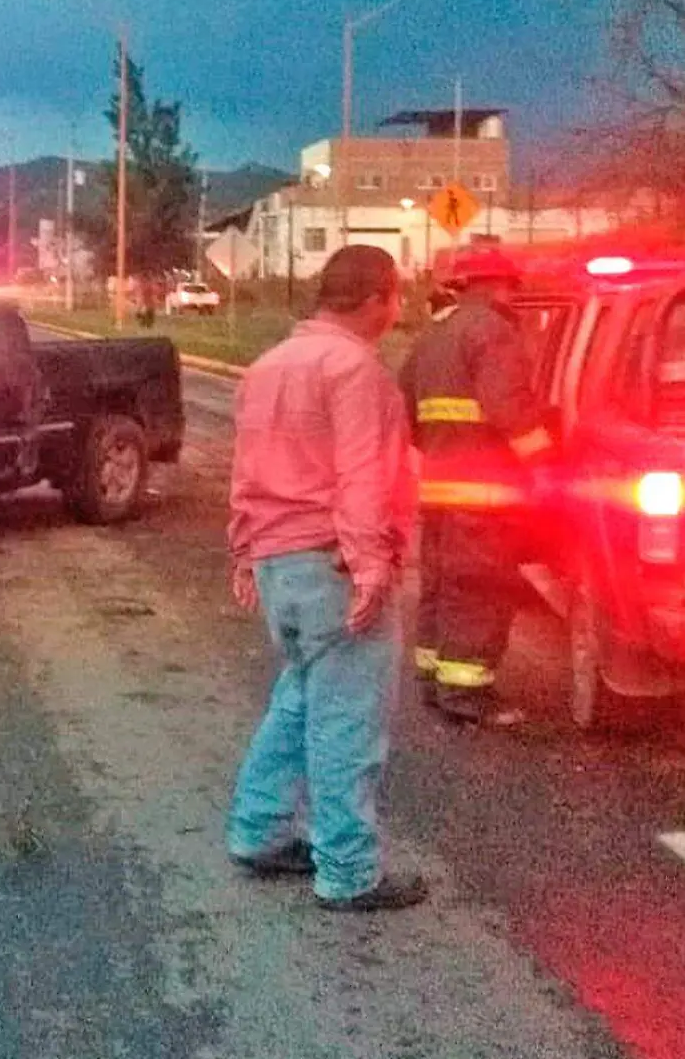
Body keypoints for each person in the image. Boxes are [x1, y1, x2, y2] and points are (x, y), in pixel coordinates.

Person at [226, 245, 426, 913]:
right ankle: (347, 871)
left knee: (300, 699)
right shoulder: (355, 370)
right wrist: (371, 568)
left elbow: (245, 470)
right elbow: (364, 475)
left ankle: (259, 831)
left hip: (280, 562)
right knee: (346, 720)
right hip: (333, 564)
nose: (396, 314)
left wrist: (244, 551)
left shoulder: (266, 368)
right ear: (376, 298)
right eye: (396, 300)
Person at [399, 249, 553, 728]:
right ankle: (467, 695)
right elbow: (510, 409)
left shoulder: (434, 335)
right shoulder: (492, 330)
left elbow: (407, 412)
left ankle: (433, 679)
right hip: (484, 490)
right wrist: (546, 465)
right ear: (501, 285)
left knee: (442, 585)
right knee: (479, 589)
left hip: (441, 485)